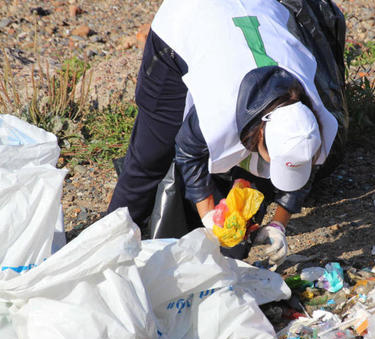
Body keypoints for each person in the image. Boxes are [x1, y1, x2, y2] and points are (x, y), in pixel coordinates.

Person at [107, 0, 347, 265]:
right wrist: (209, 216)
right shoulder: (220, 113)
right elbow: (188, 151)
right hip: (188, 18)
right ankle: (106, 247)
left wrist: (279, 225)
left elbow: (303, 165)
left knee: (245, 202)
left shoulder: (316, 120)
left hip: (255, 12)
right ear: (260, 132)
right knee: (151, 155)